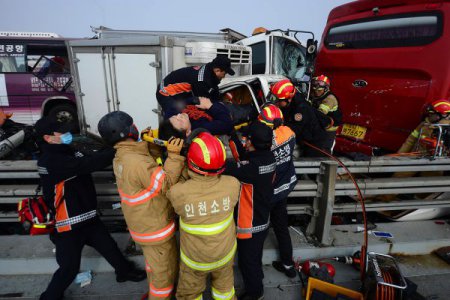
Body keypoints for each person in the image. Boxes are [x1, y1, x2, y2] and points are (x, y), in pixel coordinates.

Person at [35, 116, 146, 300]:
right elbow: (90, 163)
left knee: (109, 247)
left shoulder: (66, 150)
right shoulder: (51, 160)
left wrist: (80, 140)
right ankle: (49, 297)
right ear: (48, 138)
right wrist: (121, 146)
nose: (67, 134)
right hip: (68, 224)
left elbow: (94, 150)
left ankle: (124, 272)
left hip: (87, 216)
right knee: (69, 268)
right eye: (62, 132)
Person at [98, 111, 185, 300]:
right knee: (164, 274)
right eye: (132, 124)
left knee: (155, 267)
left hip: (143, 226)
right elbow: (165, 183)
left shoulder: (122, 156)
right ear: (128, 131)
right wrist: (174, 156)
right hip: (155, 229)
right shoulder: (136, 162)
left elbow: (147, 176)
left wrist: (151, 147)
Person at [166, 132, 240, 300]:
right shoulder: (232, 185)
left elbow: (167, 187)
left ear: (190, 162)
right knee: (225, 292)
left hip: (195, 261)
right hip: (224, 256)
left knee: (190, 294)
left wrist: (174, 157)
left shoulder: (180, 193)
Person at [225, 121, 276, 300]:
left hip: (250, 224)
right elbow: (244, 156)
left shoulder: (251, 168)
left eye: (247, 140)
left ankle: (255, 293)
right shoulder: (268, 157)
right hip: (262, 219)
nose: (245, 142)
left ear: (253, 142)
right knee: (255, 257)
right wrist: (232, 135)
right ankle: (258, 279)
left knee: (248, 262)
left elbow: (226, 166)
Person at [257, 104, 297, 278]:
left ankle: (256, 271)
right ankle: (288, 265)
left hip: (266, 193)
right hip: (283, 189)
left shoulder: (264, 142)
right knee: (281, 228)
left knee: (259, 231)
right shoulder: (289, 132)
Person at [156, 55, 235, 119]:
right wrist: (223, 115)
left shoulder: (210, 70)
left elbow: (214, 93)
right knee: (178, 119)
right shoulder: (202, 80)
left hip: (178, 91)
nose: (224, 77)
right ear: (217, 70)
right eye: (224, 74)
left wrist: (222, 105)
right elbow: (205, 104)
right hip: (165, 93)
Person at [269, 78, 330, 157]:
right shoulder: (291, 102)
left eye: (278, 100)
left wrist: (280, 123)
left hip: (314, 143)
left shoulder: (301, 109)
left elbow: (294, 130)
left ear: (289, 99)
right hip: (305, 138)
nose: (275, 102)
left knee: (309, 165)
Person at [158, 96, 233, 139]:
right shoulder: (200, 128)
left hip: (210, 100)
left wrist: (196, 100)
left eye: (175, 116)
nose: (179, 115)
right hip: (226, 110)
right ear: (188, 132)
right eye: (180, 121)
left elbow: (175, 105)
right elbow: (227, 124)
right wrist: (210, 106)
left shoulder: (170, 120)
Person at [309, 74, 343, 154]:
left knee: (323, 150)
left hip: (328, 130)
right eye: (315, 90)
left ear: (326, 88)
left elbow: (320, 113)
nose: (317, 92)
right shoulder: (315, 95)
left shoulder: (329, 99)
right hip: (321, 126)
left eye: (319, 90)